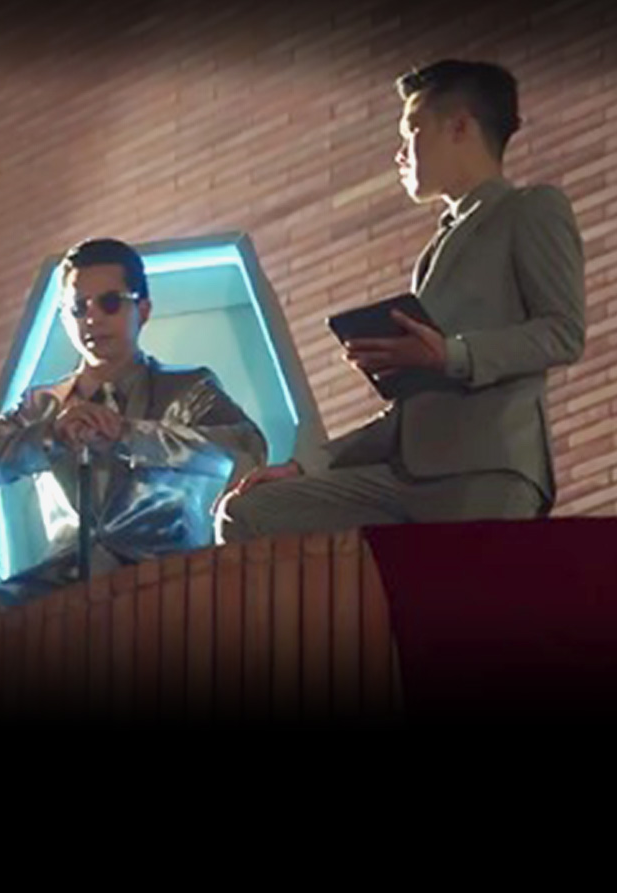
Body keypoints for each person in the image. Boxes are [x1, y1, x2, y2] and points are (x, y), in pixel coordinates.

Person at [215, 59, 586, 542]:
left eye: (411, 130)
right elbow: (412, 412)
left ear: (459, 127)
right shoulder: (433, 253)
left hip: (487, 471)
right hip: (404, 474)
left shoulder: (530, 208)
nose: (400, 154)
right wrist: (306, 464)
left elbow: (563, 332)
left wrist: (449, 354)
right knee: (247, 512)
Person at [0, 238, 268, 618]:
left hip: (168, 569)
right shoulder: (41, 406)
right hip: (62, 578)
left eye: (110, 302)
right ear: (64, 318)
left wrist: (130, 435)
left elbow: (248, 449)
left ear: (143, 309)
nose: (92, 318)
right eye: (78, 308)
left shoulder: (187, 388)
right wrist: (48, 438)